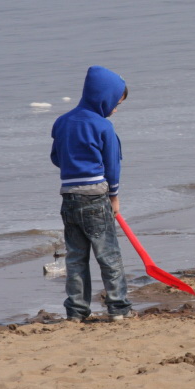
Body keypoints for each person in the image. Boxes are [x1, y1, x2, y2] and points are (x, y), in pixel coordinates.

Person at [50, 66, 133, 321]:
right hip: (96, 198)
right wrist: (114, 197)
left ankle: (76, 312)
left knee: (76, 257)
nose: (115, 109)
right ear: (103, 97)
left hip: (69, 197)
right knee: (108, 255)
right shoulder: (103, 127)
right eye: (115, 103)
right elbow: (112, 166)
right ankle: (118, 308)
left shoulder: (62, 122)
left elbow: (56, 158)